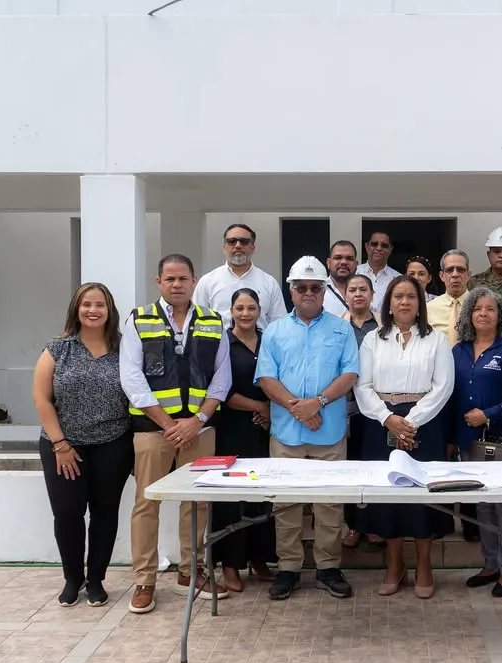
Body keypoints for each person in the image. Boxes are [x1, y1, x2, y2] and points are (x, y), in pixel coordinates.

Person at [121, 253, 233, 614]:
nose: (177, 285)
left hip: (199, 428)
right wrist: (170, 425)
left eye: (183, 279)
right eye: (169, 279)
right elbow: (132, 379)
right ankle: (145, 580)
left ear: (194, 280)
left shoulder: (214, 321)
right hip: (154, 430)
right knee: (147, 503)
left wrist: (197, 421)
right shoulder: (140, 320)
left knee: (197, 503)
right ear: (159, 282)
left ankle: (191, 570)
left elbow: (222, 378)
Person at [255, 256, 360, 601]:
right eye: (302, 288)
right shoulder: (274, 330)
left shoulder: (341, 329)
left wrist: (318, 403)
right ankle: (289, 569)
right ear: (291, 290)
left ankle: (328, 567)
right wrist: (298, 408)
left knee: (330, 504)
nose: (309, 293)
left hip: (328, 430)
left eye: (316, 288)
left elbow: (350, 374)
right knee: (286, 505)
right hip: (286, 431)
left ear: (324, 290)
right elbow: (266, 377)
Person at [33, 282, 134, 608]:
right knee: (67, 513)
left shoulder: (125, 348)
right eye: (87, 304)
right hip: (64, 447)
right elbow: (42, 398)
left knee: (104, 514)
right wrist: (60, 445)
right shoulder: (58, 348)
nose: (93, 310)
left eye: (100, 305)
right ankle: (72, 578)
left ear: (110, 310)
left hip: (112, 444)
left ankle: (96, 580)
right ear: (76, 309)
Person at [355, 275, 455, 599]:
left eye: (411, 296)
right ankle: (394, 564)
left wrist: (410, 422)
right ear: (388, 303)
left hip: (424, 421)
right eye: (398, 296)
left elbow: (443, 386)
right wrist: (388, 418)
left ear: (420, 303)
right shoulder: (373, 339)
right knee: (389, 498)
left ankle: (424, 564)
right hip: (380, 419)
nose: (405, 302)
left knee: (422, 496)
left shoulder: (436, 339)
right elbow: (362, 385)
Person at [448, 288, 502, 597]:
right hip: (467, 441)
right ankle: (490, 564)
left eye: (490, 309)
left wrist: (488, 415)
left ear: (499, 315)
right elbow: (450, 397)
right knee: (481, 504)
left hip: (499, 438)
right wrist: (451, 438)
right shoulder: (458, 351)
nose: (483, 314)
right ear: (469, 315)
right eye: (477, 309)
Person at [209, 288, 277, 592]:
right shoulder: (223, 343)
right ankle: (230, 564)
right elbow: (220, 388)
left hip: (264, 428)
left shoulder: (269, 340)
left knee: (261, 493)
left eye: (251, 308)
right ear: (231, 311)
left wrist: (269, 410)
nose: (246, 314)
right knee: (230, 496)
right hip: (232, 427)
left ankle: (260, 559)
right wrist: (257, 406)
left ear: (260, 310)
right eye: (240, 308)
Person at [428, 248, 479, 541]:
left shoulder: (481, 306)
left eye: (461, 269)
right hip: (438, 394)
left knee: (471, 456)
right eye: (450, 270)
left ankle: (474, 526)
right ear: (441, 276)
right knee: (441, 456)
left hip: (471, 390)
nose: (456, 274)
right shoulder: (430, 308)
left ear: (469, 274)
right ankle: (441, 522)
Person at [338, 274, 379, 550]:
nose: (357, 294)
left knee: (375, 464)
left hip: (377, 407)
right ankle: (353, 526)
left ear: (372, 294)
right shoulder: (337, 327)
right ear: (346, 295)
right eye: (352, 290)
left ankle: (374, 526)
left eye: (363, 289)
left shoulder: (383, 325)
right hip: (347, 408)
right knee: (351, 467)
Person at [193, 223, 288, 329]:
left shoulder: (269, 283)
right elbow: (197, 320)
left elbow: (279, 325)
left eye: (244, 241)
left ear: (252, 248)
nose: (238, 245)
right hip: (219, 345)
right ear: (224, 247)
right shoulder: (207, 281)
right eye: (232, 241)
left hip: (259, 345)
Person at [357, 230, 401, 312]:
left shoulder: (398, 279)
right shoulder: (355, 273)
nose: (379, 248)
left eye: (384, 245)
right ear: (366, 246)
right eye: (374, 244)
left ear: (390, 249)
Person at [323, 240, 359, 315]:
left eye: (349, 258)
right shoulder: (318, 290)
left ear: (356, 265)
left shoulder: (365, 291)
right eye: (338, 258)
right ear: (329, 263)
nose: (343, 262)